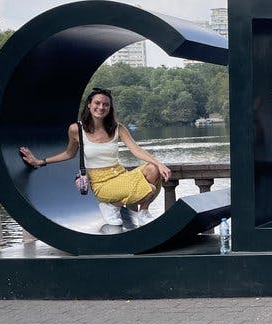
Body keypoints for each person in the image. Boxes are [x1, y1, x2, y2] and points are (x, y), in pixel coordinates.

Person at [18, 87, 171, 227]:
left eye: (106, 105)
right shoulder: (76, 129)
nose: (101, 107)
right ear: (89, 105)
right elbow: (69, 153)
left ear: (110, 108)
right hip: (101, 182)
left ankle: (142, 213)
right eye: (97, 103)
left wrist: (159, 164)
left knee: (153, 169)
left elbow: (136, 150)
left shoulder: (118, 128)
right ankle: (111, 205)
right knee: (149, 189)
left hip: (120, 174)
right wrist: (40, 161)